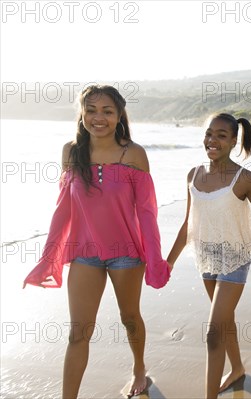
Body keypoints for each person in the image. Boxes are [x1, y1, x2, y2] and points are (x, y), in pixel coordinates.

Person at [23, 85, 171, 398]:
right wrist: (48, 256)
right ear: (82, 113)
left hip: (126, 254)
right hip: (85, 254)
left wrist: (154, 258)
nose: (98, 117)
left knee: (130, 318)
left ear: (119, 115)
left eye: (107, 111)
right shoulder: (71, 152)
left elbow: (146, 213)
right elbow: (63, 209)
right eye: (91, 110)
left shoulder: (133, 154)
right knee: (78, 333)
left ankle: (139, 368)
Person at [166, 113, 251, 399]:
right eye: (208, 134)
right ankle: (237, 368)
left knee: (213, 333)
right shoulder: (193, 174)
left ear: (233, 141)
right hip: (205, 257)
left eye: (221, 135)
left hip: (235, 258)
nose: (212, 140)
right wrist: (168, 261)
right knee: (225, 320)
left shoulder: (245, 179)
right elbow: (188, 223)